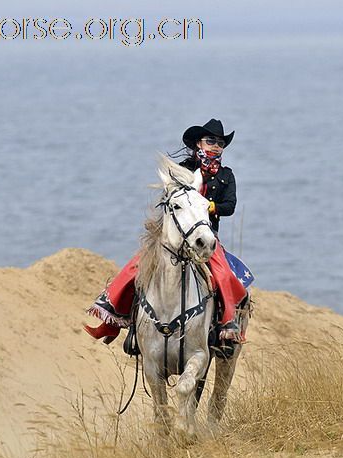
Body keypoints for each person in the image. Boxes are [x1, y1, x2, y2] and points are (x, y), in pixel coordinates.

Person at [84, 118, 247, 346]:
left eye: (220, 143)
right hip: (175, 233)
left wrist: (210, 207)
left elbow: (230, 206)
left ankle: (227, 325)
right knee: (137, 267)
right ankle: (115, 319)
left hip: (204, 235)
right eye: (211, 141)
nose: (216, 146)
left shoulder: (226, 175)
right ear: (198, 143)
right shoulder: (183, 170)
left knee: (223, 274)